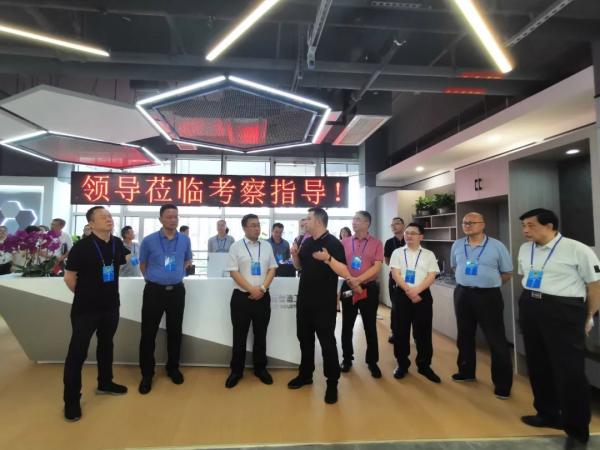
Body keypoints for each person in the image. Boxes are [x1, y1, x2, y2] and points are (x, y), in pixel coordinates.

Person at [517, 208, 600, 449]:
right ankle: (547, 413)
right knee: (537, 363)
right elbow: (526, 275)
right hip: (531, 304)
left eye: (531, 225)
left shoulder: (577, 249)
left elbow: (595, 286)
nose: (525, 230)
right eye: (524, 226)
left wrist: (590, 316)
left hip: (564, 310)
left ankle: (577, 431)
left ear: (550, 226)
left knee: (569, 370)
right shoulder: (525, 249)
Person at [62, 206, 130, 422]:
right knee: (77, 352)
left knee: (106, 345)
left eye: (109, 216)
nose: (109, 219)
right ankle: (71, 400)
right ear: (91, 224)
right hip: (86, 309)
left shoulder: (117, 243)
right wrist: (86, 295)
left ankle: (105, 382)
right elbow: (69, 278)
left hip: (111, 306)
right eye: (103, 217)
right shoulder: (81, 247)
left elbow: (125, 261)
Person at [288, 207, 358, 404]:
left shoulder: (333, 243)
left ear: (318, 221)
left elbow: (344, 271)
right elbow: (300, 267)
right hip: (304, 300)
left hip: (324, 303)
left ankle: (332, 383)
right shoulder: (306, 241)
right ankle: (305, 374)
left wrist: (328, 259)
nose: (304, 222)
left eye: (308, 219)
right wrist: (295, 255)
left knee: (327, 343)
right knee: (304, 339)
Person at [450, 212, 513, 399]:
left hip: (488, 296)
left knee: (496, 339)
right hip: (462, 293)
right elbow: (455, 266)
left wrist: (488, 283)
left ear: (483, 224)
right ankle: (466, 371)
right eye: (465, 222)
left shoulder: (497, 246)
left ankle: (502, 384)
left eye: (472, 222)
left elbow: (507, 273)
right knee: (464, 335)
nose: (468, 225)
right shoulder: (457, 244)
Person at [138, 204, 193, 395]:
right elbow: (143, 264)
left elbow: (187, 260)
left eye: (176, 216)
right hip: (154, 291)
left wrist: (177, 273)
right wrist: (154, 278)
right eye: (169, 216)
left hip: (177, 291)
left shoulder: (185, 240)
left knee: (175, 331)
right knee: (148, 333)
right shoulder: (149, 240)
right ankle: (147, 374)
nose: (173, 220)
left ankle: (173, 368)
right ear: (160, 219)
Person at [224, 214, 278, 388]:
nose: (257, 228)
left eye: (258, 225)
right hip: (241, 298)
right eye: (253, 225)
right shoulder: (236, 247)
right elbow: (233, 271)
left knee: (260, 335)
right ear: (244, 228)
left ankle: (260, 368)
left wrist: (262, 288)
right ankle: (236, 371)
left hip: (263, 296)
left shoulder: (267, 246)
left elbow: (272, 269)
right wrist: (251, 289)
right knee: (239, 336)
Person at [389, 222, 441, 383]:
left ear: (421, 236)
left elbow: (432, 275)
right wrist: (409, 291)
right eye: (407, 233)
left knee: (423, 332)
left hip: (422, 296)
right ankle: (402, 364)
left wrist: (416, 291)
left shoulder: (429, 254)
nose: (409, 236)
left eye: (413, 233)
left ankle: (424, 366)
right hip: (402, 295)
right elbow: (395, 274)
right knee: (400, 332)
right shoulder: (397, 252)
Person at [339, 211, 384, 378]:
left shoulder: (376, 243)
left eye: (358, 219)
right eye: (353, 219)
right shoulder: (344, 242)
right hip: (348, 287)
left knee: (370, 325)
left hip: (369, 288)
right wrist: (352, 281)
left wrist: (358, 280)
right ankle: (347, 359)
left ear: (367, 223)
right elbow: (339, 264)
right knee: (347, 325)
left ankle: (372, 362)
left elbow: (377, 266)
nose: (354, 222)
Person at [384, 217, 405, 344]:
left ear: (403, 225)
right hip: (394, 278)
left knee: (413, 307)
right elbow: (387, 260)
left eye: (397, 224)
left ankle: (416, 335)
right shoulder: (389, 242)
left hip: (410, 278)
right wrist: (397, 269)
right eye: (392, 225)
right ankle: (395, 333)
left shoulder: (409, 240)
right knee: (395, 306)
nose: (394, 226)